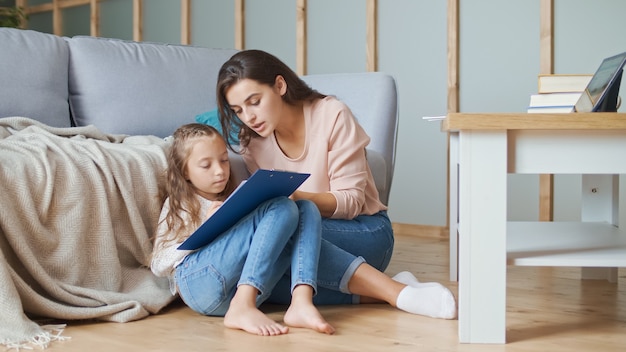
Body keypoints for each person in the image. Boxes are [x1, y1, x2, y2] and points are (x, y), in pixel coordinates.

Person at [216, 49, 457, 320]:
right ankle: (372, 290)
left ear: (280, 86)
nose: (248, 117)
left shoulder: (332, 114)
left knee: (280, 234)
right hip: (311, 241)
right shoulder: (253, 144)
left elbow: (352, 200)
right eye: (238, 110)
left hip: (365, 231)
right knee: (266, 262)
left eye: (255, 101)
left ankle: (395, 291)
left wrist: (296, 199)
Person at [150, 123, 335, 336]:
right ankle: (243, 306)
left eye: (224, 160)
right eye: (206, 165)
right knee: (282, 206)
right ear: (185, 171)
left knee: (306, 208)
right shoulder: (180, 203)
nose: (220, 171)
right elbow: (158, 265)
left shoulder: (230, 199)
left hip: (233, 290)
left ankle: (301, 301)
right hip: (197, 285)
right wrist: (204, 230)